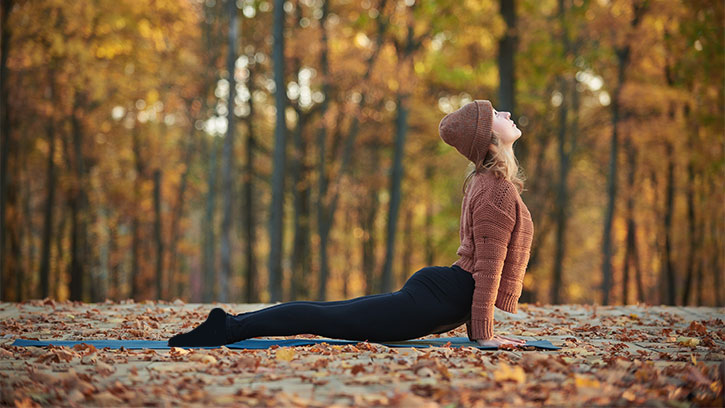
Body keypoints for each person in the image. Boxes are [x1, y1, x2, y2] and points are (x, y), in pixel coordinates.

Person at [167, 99, 534, 349]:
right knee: (327, 318)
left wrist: (476, 330)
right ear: (487, 133)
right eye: (497, 114)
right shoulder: (494, 190)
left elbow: (480, 266)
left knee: (329, 313)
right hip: (437, 297)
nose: (506, 112)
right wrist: (483, 336)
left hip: (442, 292)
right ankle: (230, 327)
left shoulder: (486, 183)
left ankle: (230, 323)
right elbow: (486, 268)